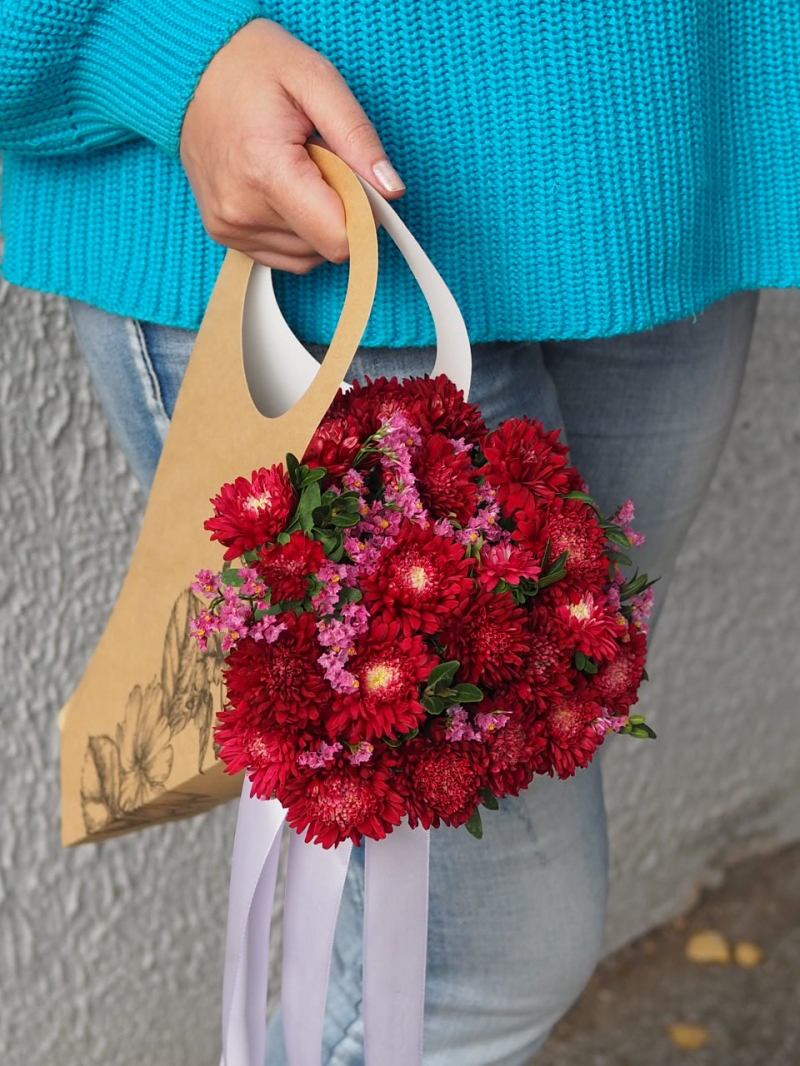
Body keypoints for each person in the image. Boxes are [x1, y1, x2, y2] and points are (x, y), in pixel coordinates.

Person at [2, 5, 794, 1063]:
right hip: (307, 219)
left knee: (519, 773)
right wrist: (144, 46)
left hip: (664, 151)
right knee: (477, 966)